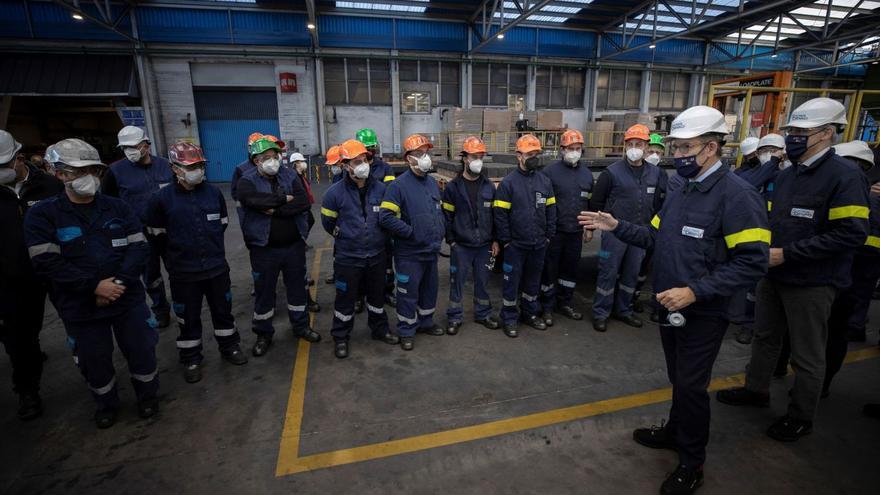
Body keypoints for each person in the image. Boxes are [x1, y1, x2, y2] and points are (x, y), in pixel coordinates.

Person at [580, 105, 769, 495]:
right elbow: (654, 237)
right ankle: (674, 430)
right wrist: (617, 227)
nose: (677, 156)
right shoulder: (683, 190)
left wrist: (696, 291)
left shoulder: (737, 197)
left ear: (712, 147)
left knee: (691, 386)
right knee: (678, 380)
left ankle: (691, 461)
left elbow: (753, 262)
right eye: (675, 148)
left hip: (704, 310)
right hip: (669, 305)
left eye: (686, 148)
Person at [717, 98, 870, 443]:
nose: (793, 137)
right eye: (791, 131)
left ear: (827, 133)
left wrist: (789, 254)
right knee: (765, 337)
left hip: (813, 281)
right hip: (774, 274)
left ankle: (801, 415)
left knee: (807, 353)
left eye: (801, 131)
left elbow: (851, 234)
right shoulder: (788, 176)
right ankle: (755, 390)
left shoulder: (844, 177)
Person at [25, 138, 160, 429]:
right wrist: (94, 287)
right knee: (93, 359)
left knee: (141, 349)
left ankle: (148, 396)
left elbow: (138, 248)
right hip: (80, 305)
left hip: (127, 298)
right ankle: (106, 403)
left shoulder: (118, 208)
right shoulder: (43, 215)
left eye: (92, 170)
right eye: (78, 170)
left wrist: (118, 283)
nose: (87, 177)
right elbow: (46, 262)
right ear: (59, 173)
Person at [145, 142, 248, 384]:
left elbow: (221, 225)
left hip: (216, 268)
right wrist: (177, 258)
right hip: (183, 272)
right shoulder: (161, 199)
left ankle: (230, 347)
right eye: (190, 166)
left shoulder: (213, 193)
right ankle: (191, 357)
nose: (197, 170)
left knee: (223, 311)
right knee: (187, 318)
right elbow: (156, 237)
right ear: (175, 169)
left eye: (200, 165)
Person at [237, 137, 321, 357]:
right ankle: (263, 333)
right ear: (256, 161)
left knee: (297, 290)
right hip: (263, 249)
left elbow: (303, 202)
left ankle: (301, 326)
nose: (273, 161)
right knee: (265, 293)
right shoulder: (246, 181)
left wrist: (275, 208)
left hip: (293, 246)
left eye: (275, 157)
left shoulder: (290, 175)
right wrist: (284, 199)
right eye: (267, 158)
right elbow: (251, 201)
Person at [0, 130, 63, 420]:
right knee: (20, 339)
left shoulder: (49, 186)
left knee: (79, 321)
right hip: (13, 279)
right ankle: (28, 391)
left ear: (18, 157)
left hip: (56, 272)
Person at [809, 141, 879, 397]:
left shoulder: (863, 194)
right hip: (837, 272)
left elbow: (857, 235)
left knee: (834, 333)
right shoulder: (850, 190)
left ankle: (821, 385)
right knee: (826, 332)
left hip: (851, 273)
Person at [320, 139, 400, 358]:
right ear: (346, 165)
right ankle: (341, 336)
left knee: (376, 297)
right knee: (345, 299)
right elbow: (328, 222)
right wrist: (345, 235)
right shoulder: (334, 193)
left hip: (376, 255)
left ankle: (380, 329)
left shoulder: (382, 190)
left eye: (364, 160)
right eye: (356, 161)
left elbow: (389, 218)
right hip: (348, 257)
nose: (362, 164)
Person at [590, 124, 667, 333]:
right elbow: (597, 201)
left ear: (645, 146)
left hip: (640, 234)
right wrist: (592, 227)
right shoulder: (611, 173)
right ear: (625, 146)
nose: (635, 147)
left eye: (639, 144)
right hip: (614, 232)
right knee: (608, 272)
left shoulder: (656, 174)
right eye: (631, 144)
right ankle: (600, 312)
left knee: (631, 274)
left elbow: (661, 203)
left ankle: (624, 310)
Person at [378, 134, 445, 351]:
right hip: (409, 253)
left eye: (426, 153)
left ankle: (425, 322)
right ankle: (406, 329)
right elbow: (385, 217)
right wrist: (410, 232)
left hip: (431, 250)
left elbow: (437, 212)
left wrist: (440, 232)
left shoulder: (433, 184)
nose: (424, 157)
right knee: (408, 293)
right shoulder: (398, 186)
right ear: (409, 158)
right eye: (419, 154)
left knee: (429, 290)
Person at [102, 126, 173, 328]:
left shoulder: (166, 166)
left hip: (169, 232)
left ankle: (182, 305)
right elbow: (108, 202)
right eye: (125, 147)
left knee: (178, 270)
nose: (130, 150)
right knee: (151, 275)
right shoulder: (115, 171)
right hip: (140, 236)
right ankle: (161, 309)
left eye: (134, 146)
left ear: (146, 145)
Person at [493, 134, 556, 338]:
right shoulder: (508, 184)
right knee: (512, 283)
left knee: (532, 283)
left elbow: (551, 210)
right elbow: (500, 215)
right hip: (516, 246)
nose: (534, 157)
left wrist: (548, 235)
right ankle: (509, 317)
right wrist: (507, 241)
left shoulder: (544, 181)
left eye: (536, 153)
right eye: (529, 154)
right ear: (518, 155)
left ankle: (530, 313)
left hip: (539, 244)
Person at [442, 136, 501, 335]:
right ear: (465, 158)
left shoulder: (488, 186)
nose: (478, 160)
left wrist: (495, 239)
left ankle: (483, 314)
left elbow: (494, 216)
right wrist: (451, 241)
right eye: (475, 156)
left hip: (484, 245)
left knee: (483, 281)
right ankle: (454, 316)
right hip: (462, 246)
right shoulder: (453, 188)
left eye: (481, 156)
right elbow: (447, 217)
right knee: (456, 282)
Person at [732, 132, 787, 345]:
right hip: (759, 237)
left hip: (783, 240)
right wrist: (770, 164)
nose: (768, 155)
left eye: (773, 151)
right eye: (764, 151)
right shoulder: (754, 174)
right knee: (753, 287)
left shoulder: (790, 175)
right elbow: (747, 185)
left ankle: (771, 326)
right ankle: (747, 324)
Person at [538, 129, 593, 326]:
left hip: (575, 232)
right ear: (561, 149)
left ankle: (566, 303)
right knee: (549, 270)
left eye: (578, 148)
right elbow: (542, 203)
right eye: (571, 148)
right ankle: (546, 306)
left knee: (570, 270)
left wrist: (589, 228)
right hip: (554, 232)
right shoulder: (549, 172)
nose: (574, 152)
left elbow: (589, 204)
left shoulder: (587, 175)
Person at [356, 128, 398, 307]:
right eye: (366, 148)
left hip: (381, 223)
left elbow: (390, 192)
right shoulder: (351, 166)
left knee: (386, 261)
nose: (370, 151)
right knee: (358, 264)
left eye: (372, 147)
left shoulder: (384, 167)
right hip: (358, 223)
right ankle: (358, 296)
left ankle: (387, 291)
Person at [633, 133, 667, 321]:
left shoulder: (663, 176)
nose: (654, 155)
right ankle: (627, 299)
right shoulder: (638, 173)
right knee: (630, 267)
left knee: (646, 266)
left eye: (657, 152)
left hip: (654, 230)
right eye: (651, 151)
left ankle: (639, 297)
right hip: (638, 227)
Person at [290, 152, 321, 313]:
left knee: (309, 222)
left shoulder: (301, 176)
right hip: (300, 213)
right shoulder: (292, 178)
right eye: (301, 161)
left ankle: (302, 239)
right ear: (295, 163)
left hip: (305, 210)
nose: (303, 163)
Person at [323, 145, 343, 285]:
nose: (334, 168)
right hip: (338, 224)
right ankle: (337, 274)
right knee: (337, 253)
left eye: (335, 164)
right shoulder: (337, 177)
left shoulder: (351, 178)